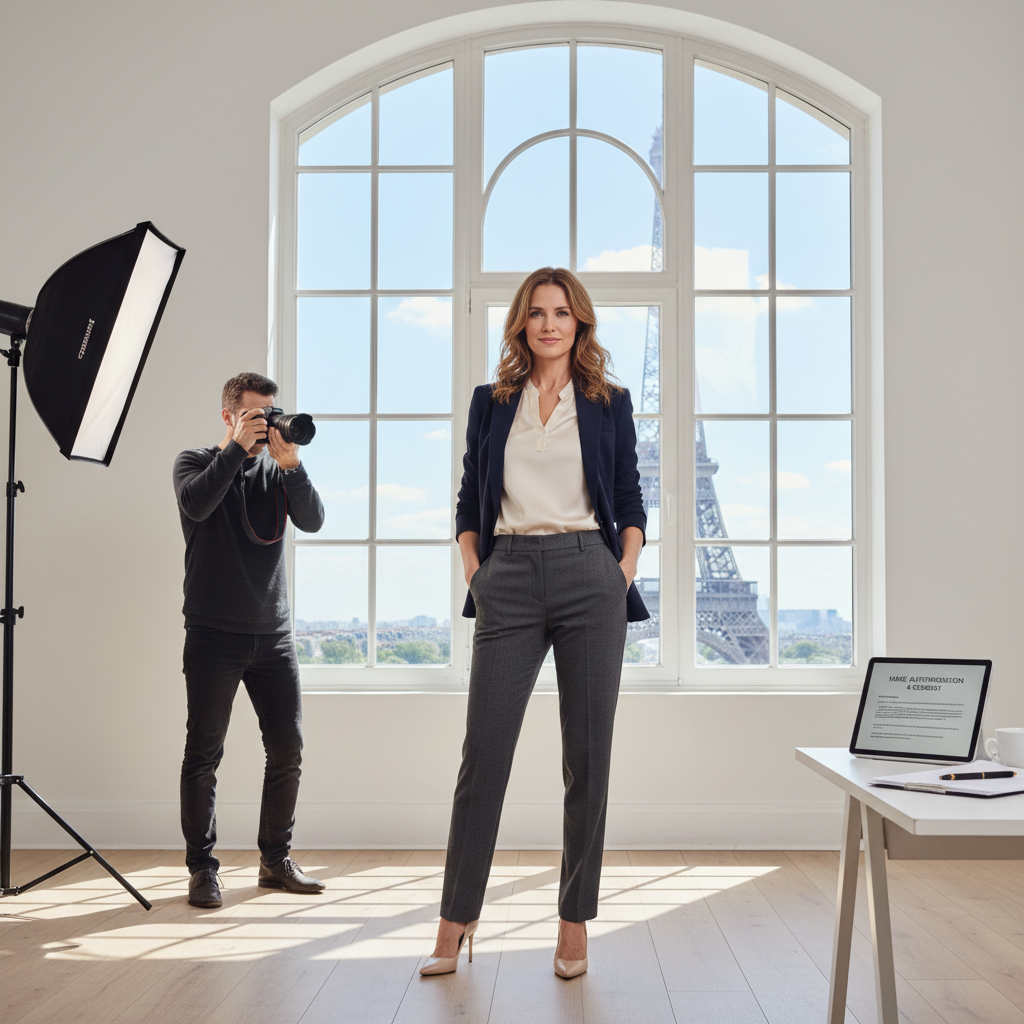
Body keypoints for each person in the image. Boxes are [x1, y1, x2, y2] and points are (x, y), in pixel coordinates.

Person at [421, 268, 648, 978]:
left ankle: (574, 921)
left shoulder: (609, 402)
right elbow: (468, 497)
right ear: (521, 323)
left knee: (587, 760)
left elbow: (633, 491)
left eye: (563, 313)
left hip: (590, 573)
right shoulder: (491, 403)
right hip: (509, 576)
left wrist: (623, 569)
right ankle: (455, 919)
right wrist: (474, 568)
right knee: (483, 756)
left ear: (580, 324)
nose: (550, 324)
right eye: (537, 313)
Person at [173, 371, 326, 908]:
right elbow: (196, 504)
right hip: (214, 634)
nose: (265, 425)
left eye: (270, 414)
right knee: (204, 754)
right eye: (254, 415)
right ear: (229, 416)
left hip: (275, 637)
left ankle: (274, 860)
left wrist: (293, 466)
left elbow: (313, 520)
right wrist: (236, 452)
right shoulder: (194, 463)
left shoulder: (278, 471)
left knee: (288, 750)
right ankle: (202, 869)